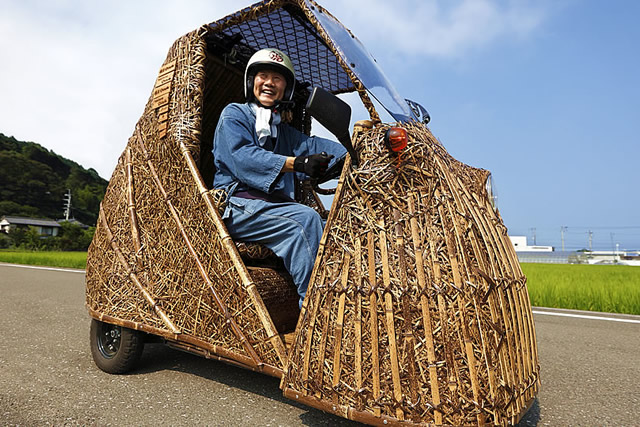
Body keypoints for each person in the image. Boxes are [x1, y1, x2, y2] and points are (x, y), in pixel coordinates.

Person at [212, 48, 347, 308]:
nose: (269, 83)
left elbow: (314, 146)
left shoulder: (283, 132)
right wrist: (295, 163)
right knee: (305, 222)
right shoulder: (235, 115)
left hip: (272, 208)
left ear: (286, 88)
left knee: (330, 224)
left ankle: (341, 297)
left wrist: (358, 149)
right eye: (263, 75)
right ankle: (316, 313)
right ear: (252, 81)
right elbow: (243, 157)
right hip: (237, 205)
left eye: (277, 78)